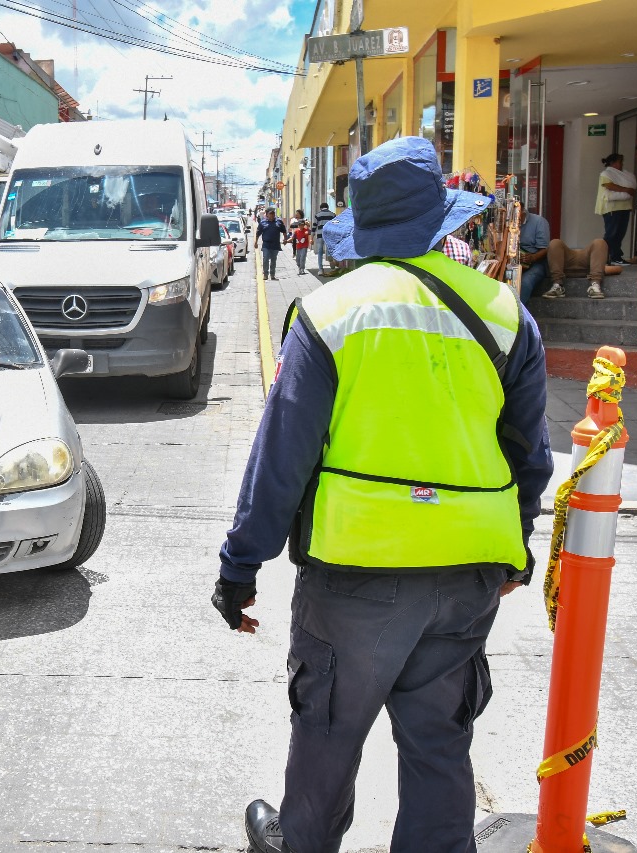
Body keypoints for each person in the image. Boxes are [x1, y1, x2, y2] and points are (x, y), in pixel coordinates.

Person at [213, 136, 553, 853]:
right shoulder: (504, 314)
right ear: (440, 220)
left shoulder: (331, 313)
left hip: (354, 577)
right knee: (439, 746)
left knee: (328, 739)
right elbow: (532, 456)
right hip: (467, 576)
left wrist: (240, 566)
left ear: (363, 230)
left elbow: (281, 459)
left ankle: (300, 841)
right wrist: (514, 548)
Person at [540, 238, 622, 300]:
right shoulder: (598, 264)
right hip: (569, 264)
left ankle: (595, 285)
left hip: (585, 266)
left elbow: (617, 269)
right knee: (555, 242)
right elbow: (618, 269)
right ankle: (557, 285)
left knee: (599, 242)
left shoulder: (596, 264)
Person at [597, 153, 636, 266]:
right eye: (619, 162)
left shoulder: (623, 174)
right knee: (611, 233)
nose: (621, 164)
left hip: (625, 207)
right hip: (612, 208)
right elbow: (609, 186)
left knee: (620, 233)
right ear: (612, 163)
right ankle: (605, 257)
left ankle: (616, 257)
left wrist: (627, 190)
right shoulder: (606, 174)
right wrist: (627, 190)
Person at [517, 208, 551, 304]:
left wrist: (533, 257)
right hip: (515, 262)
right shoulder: (508, 222)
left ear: (522, 212)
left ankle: (518, 313)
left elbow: (545, 249)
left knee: (525, 282)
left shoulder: (539, 221)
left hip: (536, 263)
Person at [255, 208, 287, 280]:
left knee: (273, 260)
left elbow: (284, 231)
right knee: (265, 258)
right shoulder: (262, 223)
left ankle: (272, 274)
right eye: (270, 214)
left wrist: (285, 239)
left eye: (273, 213)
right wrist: (255, 242)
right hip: (266, 244)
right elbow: (258, 233)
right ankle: (265, 274)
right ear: (267, 215)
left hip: (275, 244)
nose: (272, 215)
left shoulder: (279, 222)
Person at [313, 203, 337, 274]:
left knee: (320, 252)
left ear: (320, 208)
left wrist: (311, 237)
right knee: (329, 248)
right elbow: (335, 225)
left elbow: (314, 226)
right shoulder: (333, 215)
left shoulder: (317, 215)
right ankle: (330, 258)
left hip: (320, 234)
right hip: (329, 234)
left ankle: (320, 269)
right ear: (327, 207)